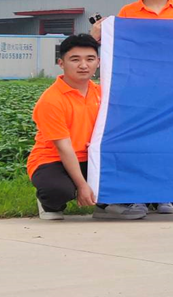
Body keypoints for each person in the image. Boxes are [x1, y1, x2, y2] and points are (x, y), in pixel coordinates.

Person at [91, 0, 173, 214]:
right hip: (138, 88)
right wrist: (99, 34)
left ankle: (164, 194)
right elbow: (119, 46)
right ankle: (137, 193)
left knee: (168, 141)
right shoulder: (128, 11)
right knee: (140, 141)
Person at [27, 34, 146, 221]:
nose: (83, 65)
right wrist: (82, 185)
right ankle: (48, 203)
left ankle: (106, 205)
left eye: (90, 59)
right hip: (53, 160)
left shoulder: (103, 93)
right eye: (75, 59)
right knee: (58, 191)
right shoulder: (51, 100)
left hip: (94, 158)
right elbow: (64, 148)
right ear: (61, 63)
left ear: (98, 62)